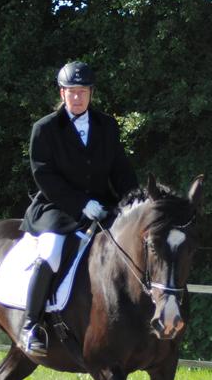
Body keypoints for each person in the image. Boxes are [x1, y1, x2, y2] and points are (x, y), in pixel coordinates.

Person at [18, 60, 139, 357]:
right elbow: (44, 176)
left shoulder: (107, 126)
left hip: (102, 205)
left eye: (82, 91)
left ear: (90, 93)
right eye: (71, 91)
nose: (77, 97)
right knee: (51, 251)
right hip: (58, 207)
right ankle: (30, 324)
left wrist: (134, 201)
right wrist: (81, 204)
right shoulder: (44, 129)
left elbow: (120, 169)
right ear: (62, 94)